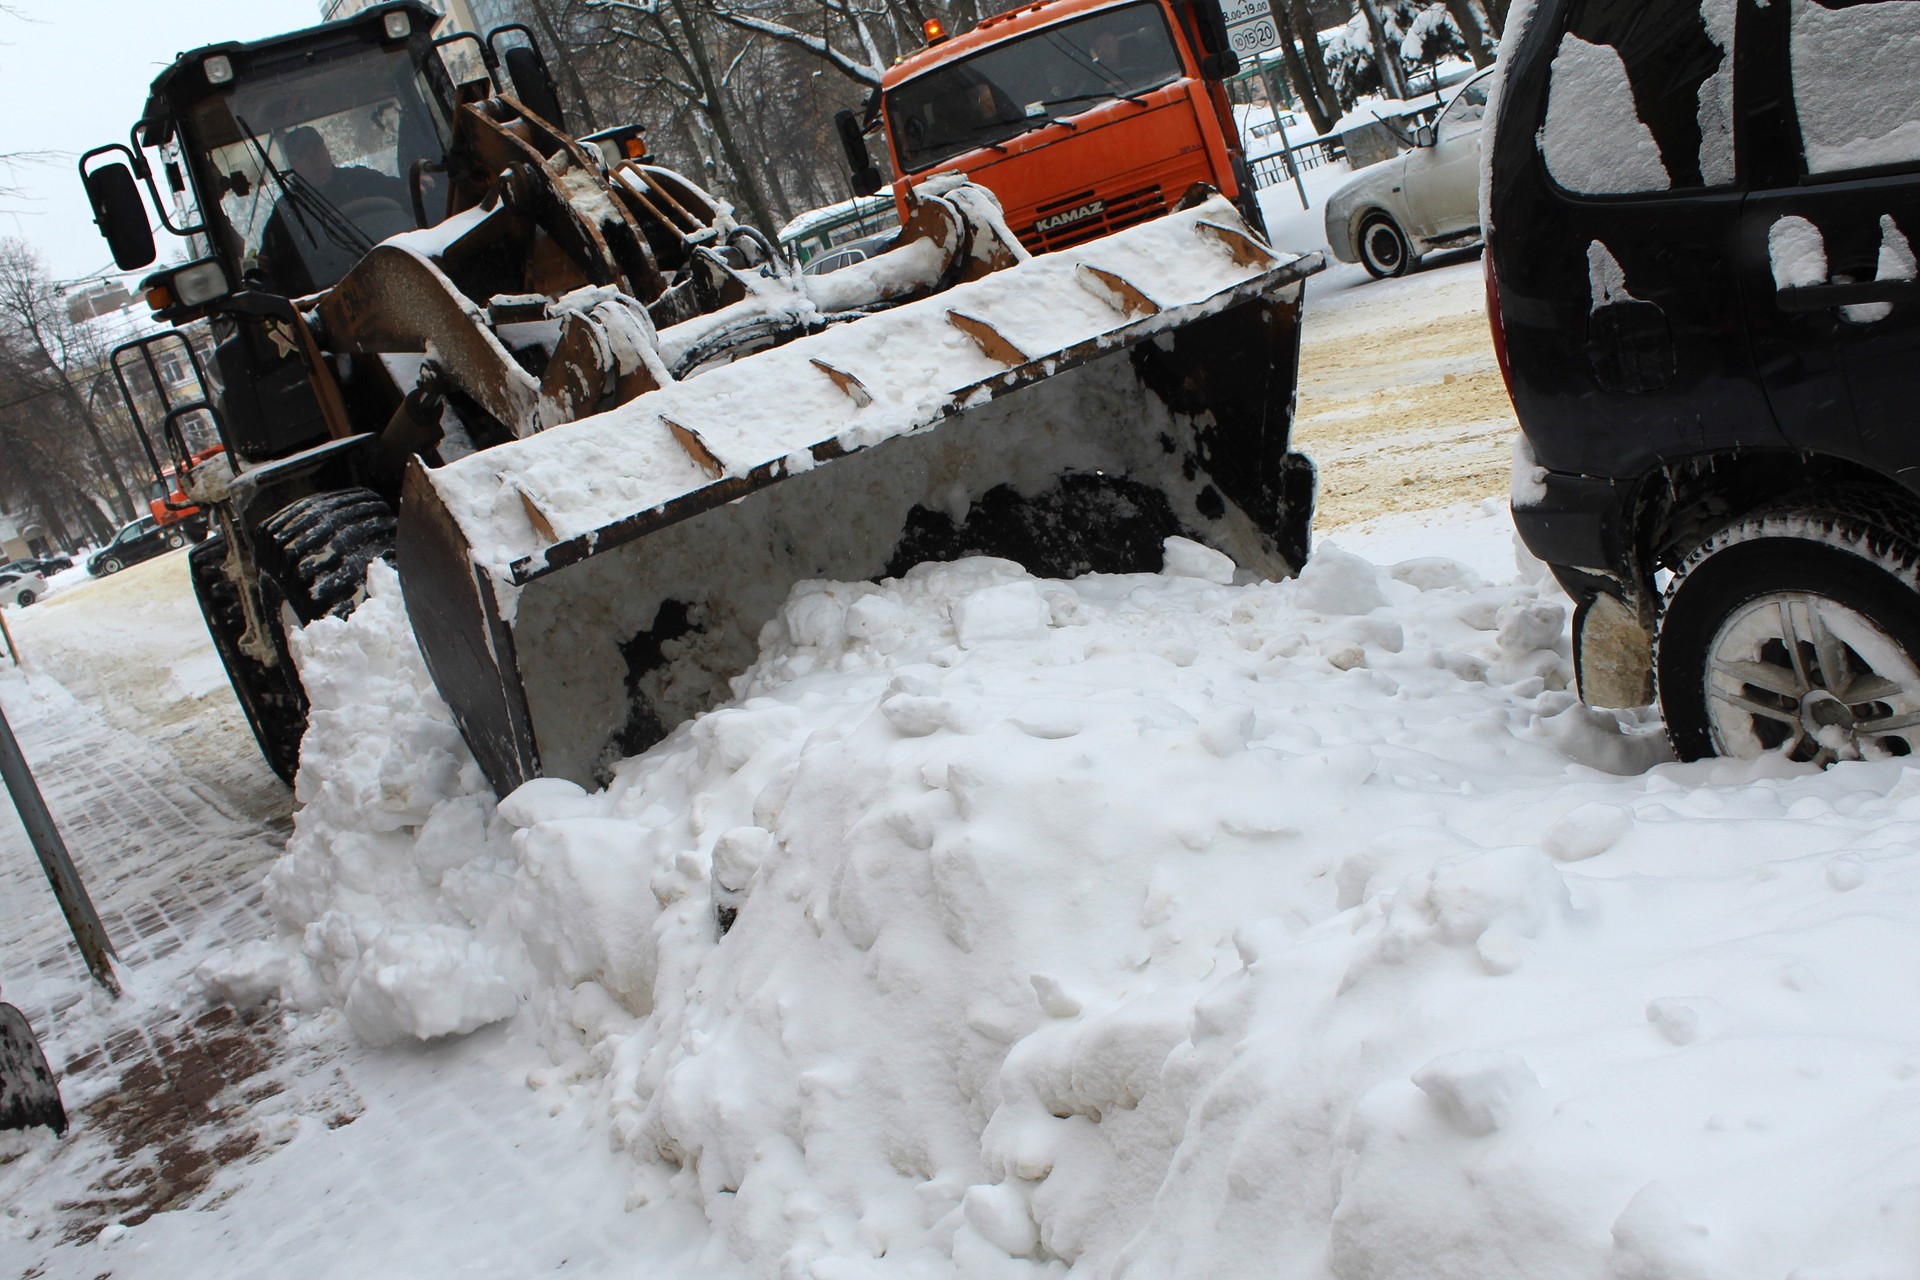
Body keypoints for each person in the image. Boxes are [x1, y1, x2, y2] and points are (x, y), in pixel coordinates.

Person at [256, 126, 411, 295]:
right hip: (332, 296)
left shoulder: (360, 179)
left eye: (316, 150)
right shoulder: (286, 211)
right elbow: (273, 267)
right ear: (292, 163)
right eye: (303, 156)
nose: (313, 159)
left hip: (394, 269)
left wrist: (413, 185)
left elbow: (403, 192)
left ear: (326, 151)